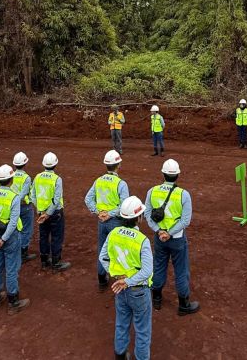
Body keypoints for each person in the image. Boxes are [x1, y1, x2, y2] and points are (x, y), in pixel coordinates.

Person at [100, 196, 153, 360]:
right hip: (138, 291)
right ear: (139, 217)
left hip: (120, 289)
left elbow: (103, 258)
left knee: (121, 324)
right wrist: (128, 281)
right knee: (142, 330)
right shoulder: (142, 240)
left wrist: (117, 276)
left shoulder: (113, 234)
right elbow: (147, 270)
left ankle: (120, 356)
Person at [143, 159, 199, 315]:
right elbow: (185, 221)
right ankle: (183, 305)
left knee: (158, 266)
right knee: (181, 270)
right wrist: (170, 233)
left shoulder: (152, 191)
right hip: (177, 239)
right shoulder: (183, 194)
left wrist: (159, 231)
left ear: (163, 174)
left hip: (159, 238)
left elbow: (147, 214)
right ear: (178, 175)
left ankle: (157, 299)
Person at [0, 164, 31, 314]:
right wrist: (4, 239)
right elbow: (13, 221)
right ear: (11, 180)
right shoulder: (14, 197)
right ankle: (13, 302)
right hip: (10, 237)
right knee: (11, 268)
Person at [85, 150, 130, 292]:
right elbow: (124, 206)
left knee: (102, 249)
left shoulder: (98, 181)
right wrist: (110, 214)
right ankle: (119, 280)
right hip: (116, 222)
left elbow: (88, 199)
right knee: (118, 251)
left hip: (102, 222)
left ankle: (101, 278)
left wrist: (99, 212)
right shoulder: (121, 184)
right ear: (119, 165)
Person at [32, 152, 70, 272]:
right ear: (55, 164)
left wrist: (41, 210)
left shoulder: (37, 177)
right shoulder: (57, 179)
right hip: (55, 213)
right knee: (56, 237)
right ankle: (56, 262)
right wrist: (48, 213)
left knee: (43, 236)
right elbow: (56, 199)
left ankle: (44, 261)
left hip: (41, 213)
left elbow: (32, 196)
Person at [11, 152, 37, 262]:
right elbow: (24, 193)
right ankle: (23, 252)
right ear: (25, 164)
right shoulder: (26, 178)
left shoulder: (11, 175)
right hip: (24, 206)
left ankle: (14, 250)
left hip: (12, 206)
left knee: (15, 228)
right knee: (26, 229)